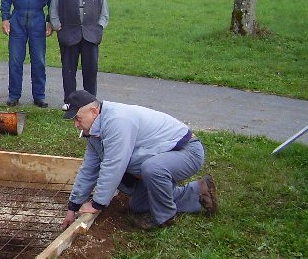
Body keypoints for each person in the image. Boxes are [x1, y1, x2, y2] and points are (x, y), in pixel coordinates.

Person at [61, 90, 217, 231]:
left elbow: (113, 165)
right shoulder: (95, 132)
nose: (76, 125)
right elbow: (89, 169)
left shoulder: (117, 121)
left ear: (94, 112)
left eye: (78, 119)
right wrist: (72, 207)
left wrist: (97, 204)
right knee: (138, 205)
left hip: (187, 151)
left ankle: (165, 217)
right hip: (162, 156)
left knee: (152, 168)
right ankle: (197, 192)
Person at [0, 0, 55, 107]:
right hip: (18, 18)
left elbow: (53, 1)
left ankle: (39, 96)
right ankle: (14, 95)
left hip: (38, 19)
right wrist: (5, 18)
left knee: (39, 60)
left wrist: (50, 21)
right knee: (15, 60)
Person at [50, 0, 109, 104]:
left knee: (90, 70)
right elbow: (53, 8)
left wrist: (100, 25)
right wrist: (57, 26)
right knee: (68, 70)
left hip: (91, 34)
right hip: (68, 34)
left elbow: (104, 8)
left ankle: (90, 102)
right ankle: (70, 102)